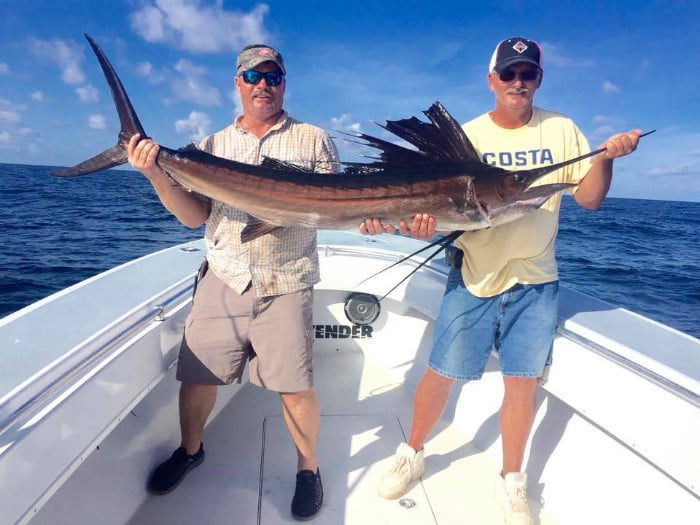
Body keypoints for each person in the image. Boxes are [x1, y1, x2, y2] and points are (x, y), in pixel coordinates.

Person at [361, 37, 641, 524]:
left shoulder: (563, 129)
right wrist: (418, 226)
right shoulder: (468, 137)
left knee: (521, 384)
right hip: (473, 276)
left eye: (527, 74)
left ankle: (513, 480)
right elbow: (446, 218)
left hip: (536, 281)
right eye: (508, 74)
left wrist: (605, 159)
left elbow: (590, 200)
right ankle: (412, 452)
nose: (518, 83)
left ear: (538, 79)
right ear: (492, 80)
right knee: (440, 373)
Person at [127, 44, 339, 521]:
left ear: (284, 83)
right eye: (253, 76)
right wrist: (153, 172)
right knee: (198, 377)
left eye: (273, 76)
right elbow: (193, 216)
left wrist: (379, 217)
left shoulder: (314, 140)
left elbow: (336, 205)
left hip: (285, 279)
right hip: (225, 276)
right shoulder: (209, 147)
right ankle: (191, 450)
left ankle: (309, 468)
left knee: (293, 386)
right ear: (237, 83)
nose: (263, 84)